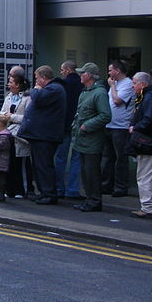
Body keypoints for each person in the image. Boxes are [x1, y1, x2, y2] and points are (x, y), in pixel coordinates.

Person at [18, 65, 66, 205]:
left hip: (45, 135)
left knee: (44, 166)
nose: (36, 81)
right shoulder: (52, 89)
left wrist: (37, 90)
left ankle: (49, 194)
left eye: (37, 78)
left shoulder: (54, 88)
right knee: (39, 166)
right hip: (40, 135)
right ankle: (43, 192)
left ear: (44, 78)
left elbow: (38, 98)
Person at [71, 62, 111, 212]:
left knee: (92, 172)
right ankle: (89, 199)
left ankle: (94, 201)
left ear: (88, 75)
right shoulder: (86, 91)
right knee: (85, 172)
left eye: (82, 73)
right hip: (82, 139)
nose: (80, 76)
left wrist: (87, 125)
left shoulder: (99, 93)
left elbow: (106, 115)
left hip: (92, 140)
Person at [101, 59, 134, 197]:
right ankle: (107, 184)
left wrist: (112, 87)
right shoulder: (116, 83)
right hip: (110, 124)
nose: (109, 73)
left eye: (110, 70)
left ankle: (121, 187)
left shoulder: (127, 84)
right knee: (108, 157)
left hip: (121, 127)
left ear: (117, 71)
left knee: (120, 157)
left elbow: (117, 100)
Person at [128, 72, 152, 219]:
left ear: (143, 84)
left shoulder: (149, 98)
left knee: (144, 176)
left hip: (147, 143)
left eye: (134, 83)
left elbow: (150, 119)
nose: (133, 86)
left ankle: (148, 208)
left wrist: (136, 127)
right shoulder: (148, 97)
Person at [0, 72, 32, 198]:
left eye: (11, 82)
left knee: (20, 163)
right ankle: (9, 190)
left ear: (18, 85)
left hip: (20, 134)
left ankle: (21, 190)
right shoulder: (8, 97)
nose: (8, 84)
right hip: (9, 133)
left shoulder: (27, 98)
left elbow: (29, 117)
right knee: (9, 162)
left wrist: (12, 117)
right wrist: (4, 117)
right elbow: (3, 111)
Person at [55, 60, 83, 199]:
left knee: (60, 158)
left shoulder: (63, 85)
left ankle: (59, 188)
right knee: (76, 159)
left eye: (62, 70)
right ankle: (72, 190)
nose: (61, 72)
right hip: (78, 125)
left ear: (67, 70)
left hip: (64, 125)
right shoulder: (82, 84)